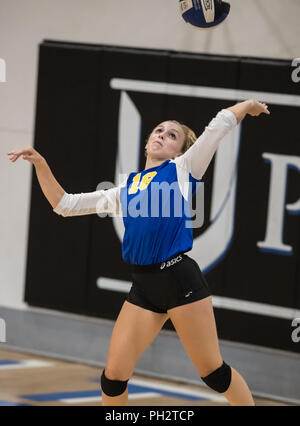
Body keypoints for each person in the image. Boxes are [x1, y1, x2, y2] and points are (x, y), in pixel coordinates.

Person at [8, 99, 270, 406]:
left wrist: (249, 105)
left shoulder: (184, 169)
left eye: (172, 135)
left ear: (180, 150)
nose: (162, 135)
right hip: (144, 286)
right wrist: (41, 164)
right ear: (147, 143)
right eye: (158, 131)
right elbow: (65, 205)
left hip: (179, 280)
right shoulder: (126, 187)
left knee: (213, 373)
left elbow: (221, 122)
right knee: (113, 378)